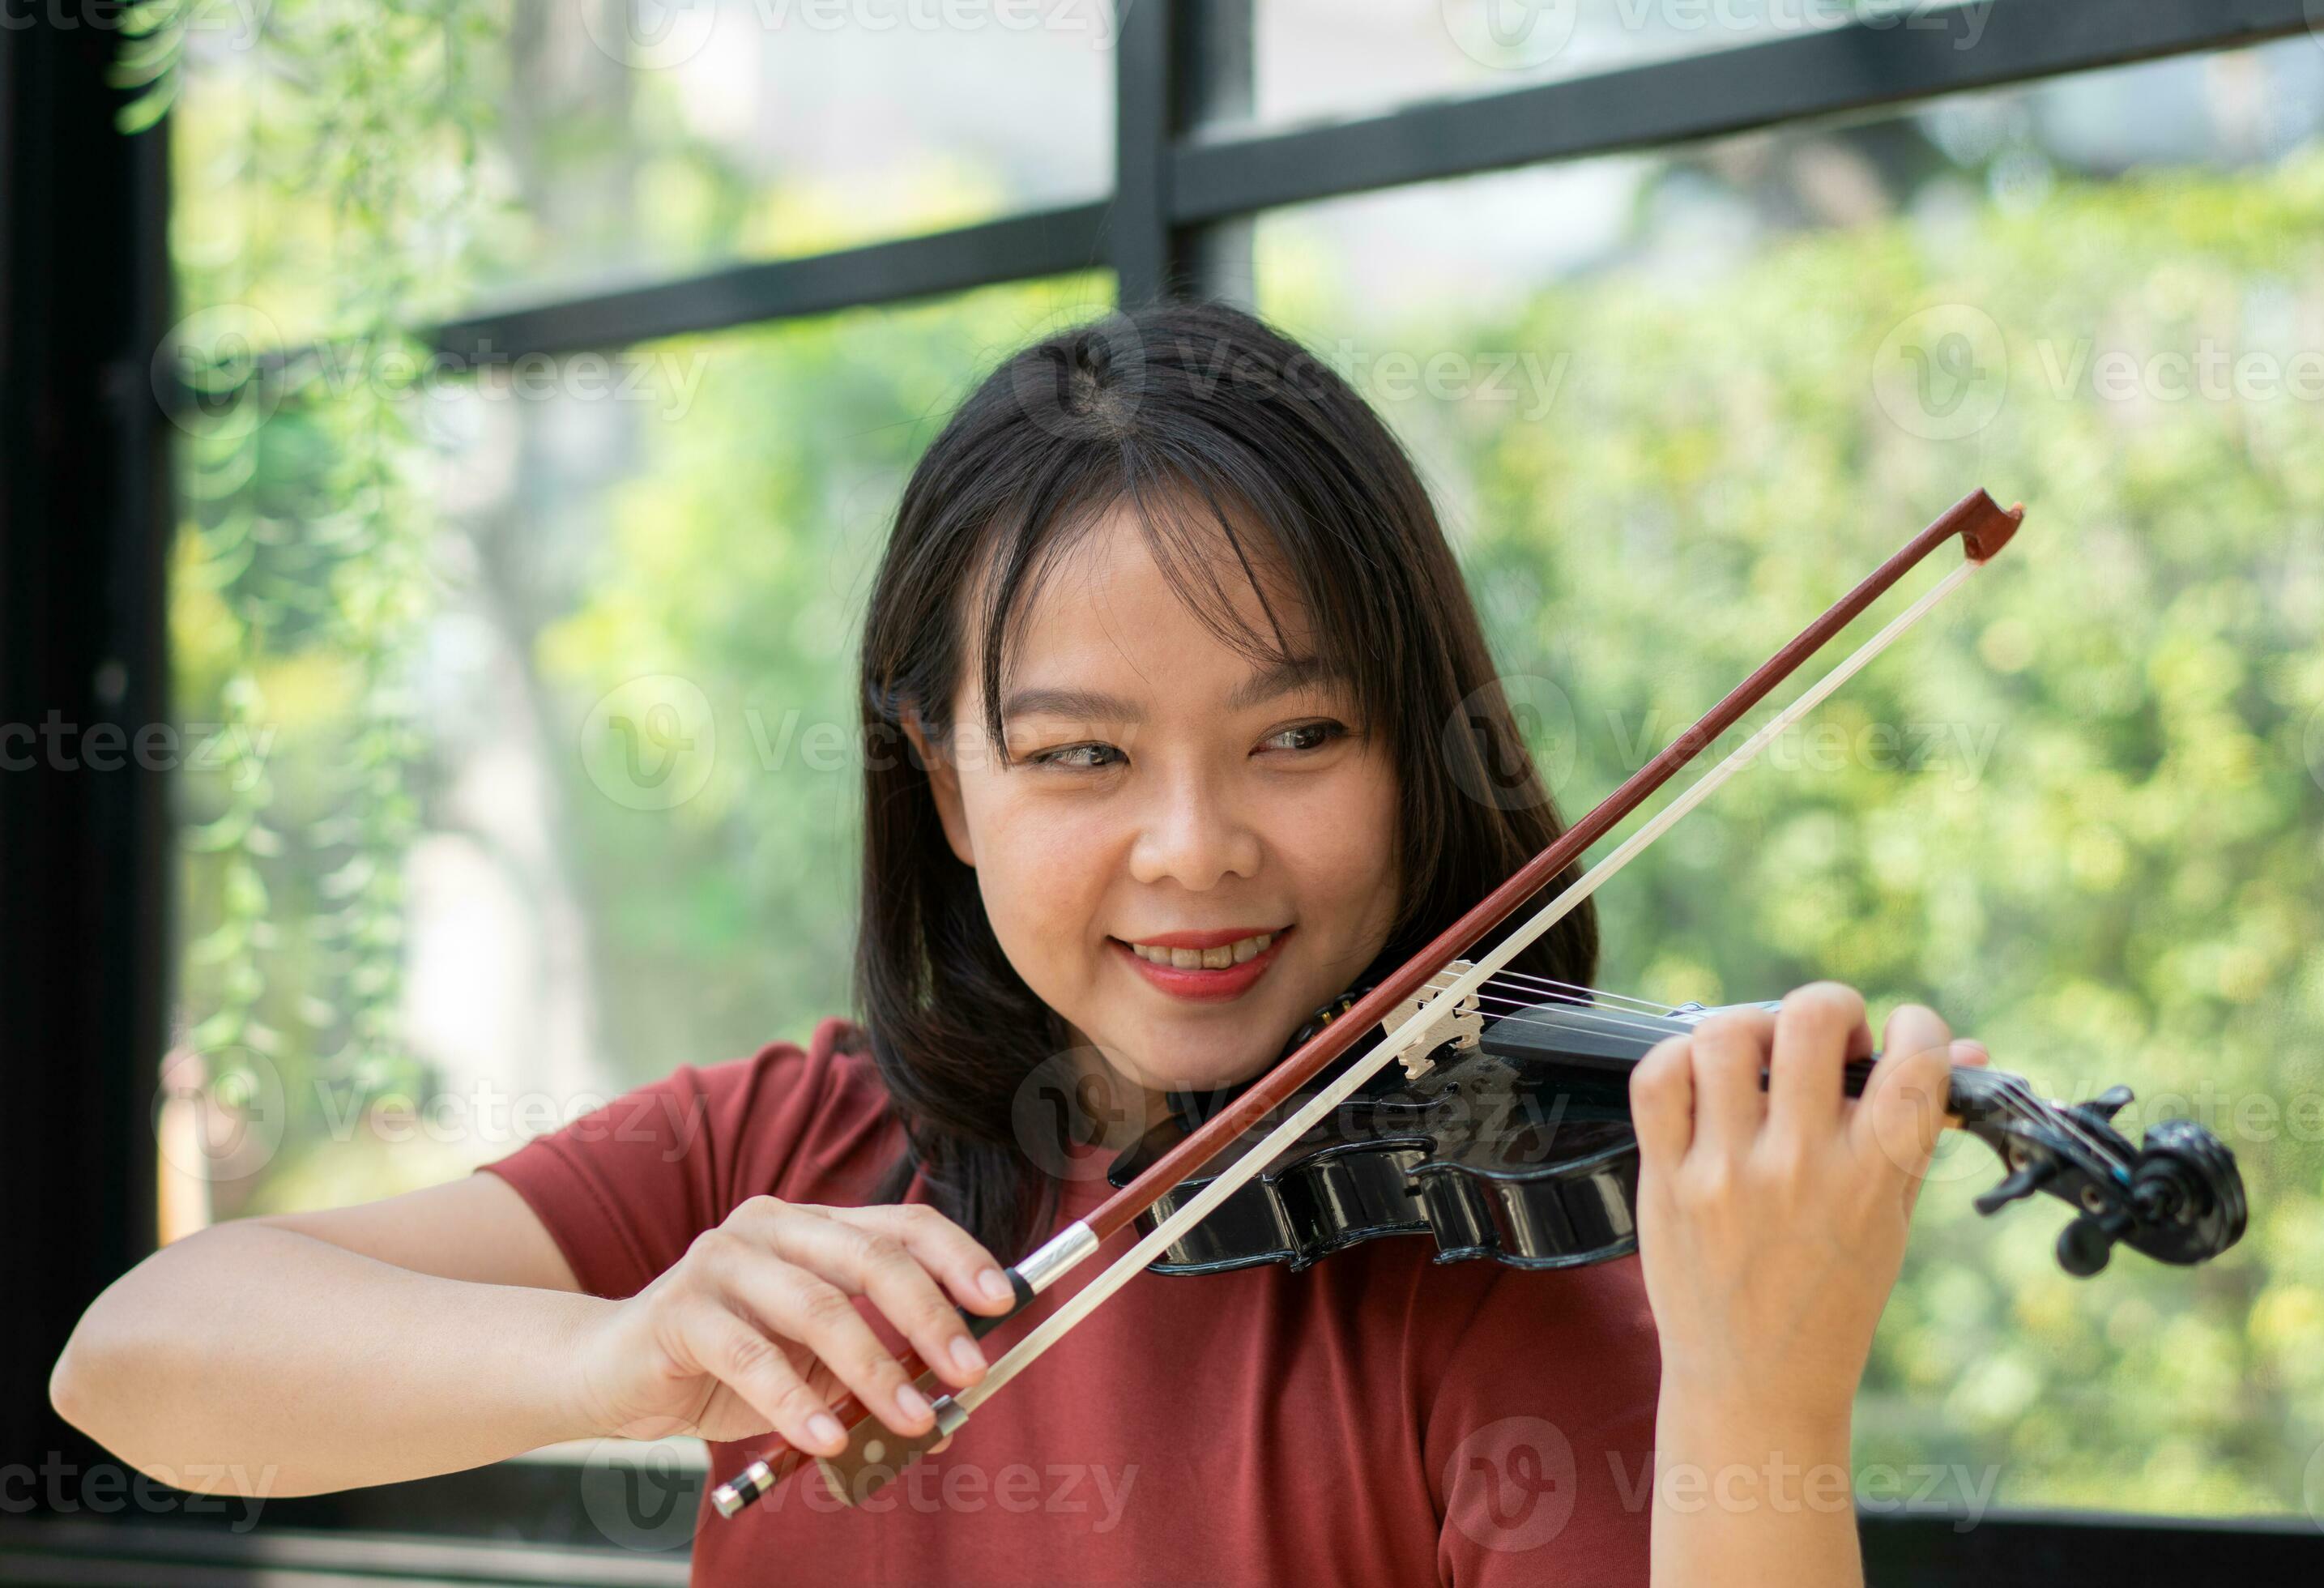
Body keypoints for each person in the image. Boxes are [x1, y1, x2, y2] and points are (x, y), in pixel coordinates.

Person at [51, 300, 1983, 1586]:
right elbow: (138, 1360)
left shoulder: (1503, 1292)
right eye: (1079, 754)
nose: (1194, 847)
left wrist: (1762, 1400)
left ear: (1423, 750)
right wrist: (620, 1353)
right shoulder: (793, 1156)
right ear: (946, 783)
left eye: (1300, 735)